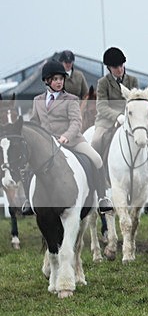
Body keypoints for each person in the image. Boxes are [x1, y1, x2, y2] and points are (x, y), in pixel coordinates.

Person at [22, 59, 113, 214]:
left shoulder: (71, 99)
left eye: (61, 79)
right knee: (26, 167)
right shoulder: (38, 101)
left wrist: (66, 136)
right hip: (48, 143)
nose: (59, 82)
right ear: (47, 80)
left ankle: (102, 198)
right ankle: (28, 201)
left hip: (71, 140)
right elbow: (35, 122)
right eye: (56, 79)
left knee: (96, 159)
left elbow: (76, 122)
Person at [91, 47, 148, 188]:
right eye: (116, 67)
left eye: (122, 65)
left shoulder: (132, 80)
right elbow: (102, 106)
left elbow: (137, 101)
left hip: (131, 118)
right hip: (107, 119)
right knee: (96, 142)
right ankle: (98, 177)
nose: (120, 69)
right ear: (109, 68)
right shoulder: (103, 83)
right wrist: (117, 116)